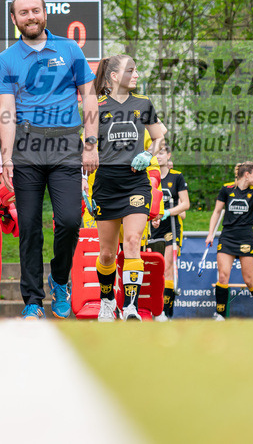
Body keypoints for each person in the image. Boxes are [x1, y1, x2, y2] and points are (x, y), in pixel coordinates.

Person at [0, 0, 98, 319]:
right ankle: (32, 301)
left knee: (69, 220)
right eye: (23, 12)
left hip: (66, 145)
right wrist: (6, 156)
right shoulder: (5, 59)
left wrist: (92, 142)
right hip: (25, 148)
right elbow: (6, 111)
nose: (30, 17)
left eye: (35, 10)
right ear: (14, 19)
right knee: (28, 225)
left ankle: (59, 279)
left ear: (44, 13)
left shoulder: (70, 49)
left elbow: (89, 96)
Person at [88, 54, 166, 321]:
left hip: (136, 182)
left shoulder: (143, 103)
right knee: (108, 253)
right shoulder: (95, 106)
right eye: (130, 70)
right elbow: (85, 149)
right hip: (106, 183)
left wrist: (148, 153)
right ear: (113, 76)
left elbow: (159, 136)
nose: (136, 74)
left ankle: (130, 307)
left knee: (132, 242)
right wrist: (81, 186)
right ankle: (107, 301)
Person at [206, 162, 253, 321]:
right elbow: (216, 212)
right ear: (246, 175)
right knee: (222, 276)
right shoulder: (226, 189)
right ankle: (220, 316)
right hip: (228, 236)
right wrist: (210, 234)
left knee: (249, 280)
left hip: (246, 237)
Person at [147, 143, 189, 321]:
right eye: (156, 153)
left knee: (168, 267)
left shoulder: (177, 177)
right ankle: (153, 310)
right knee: (154, 269)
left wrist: (166, 213)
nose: (159, 156)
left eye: (162, 153)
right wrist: (153, 217)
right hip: (151, 228)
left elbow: (185, 204)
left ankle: (166, 312)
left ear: (169, 155)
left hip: (171, 227)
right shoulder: (148, 176)